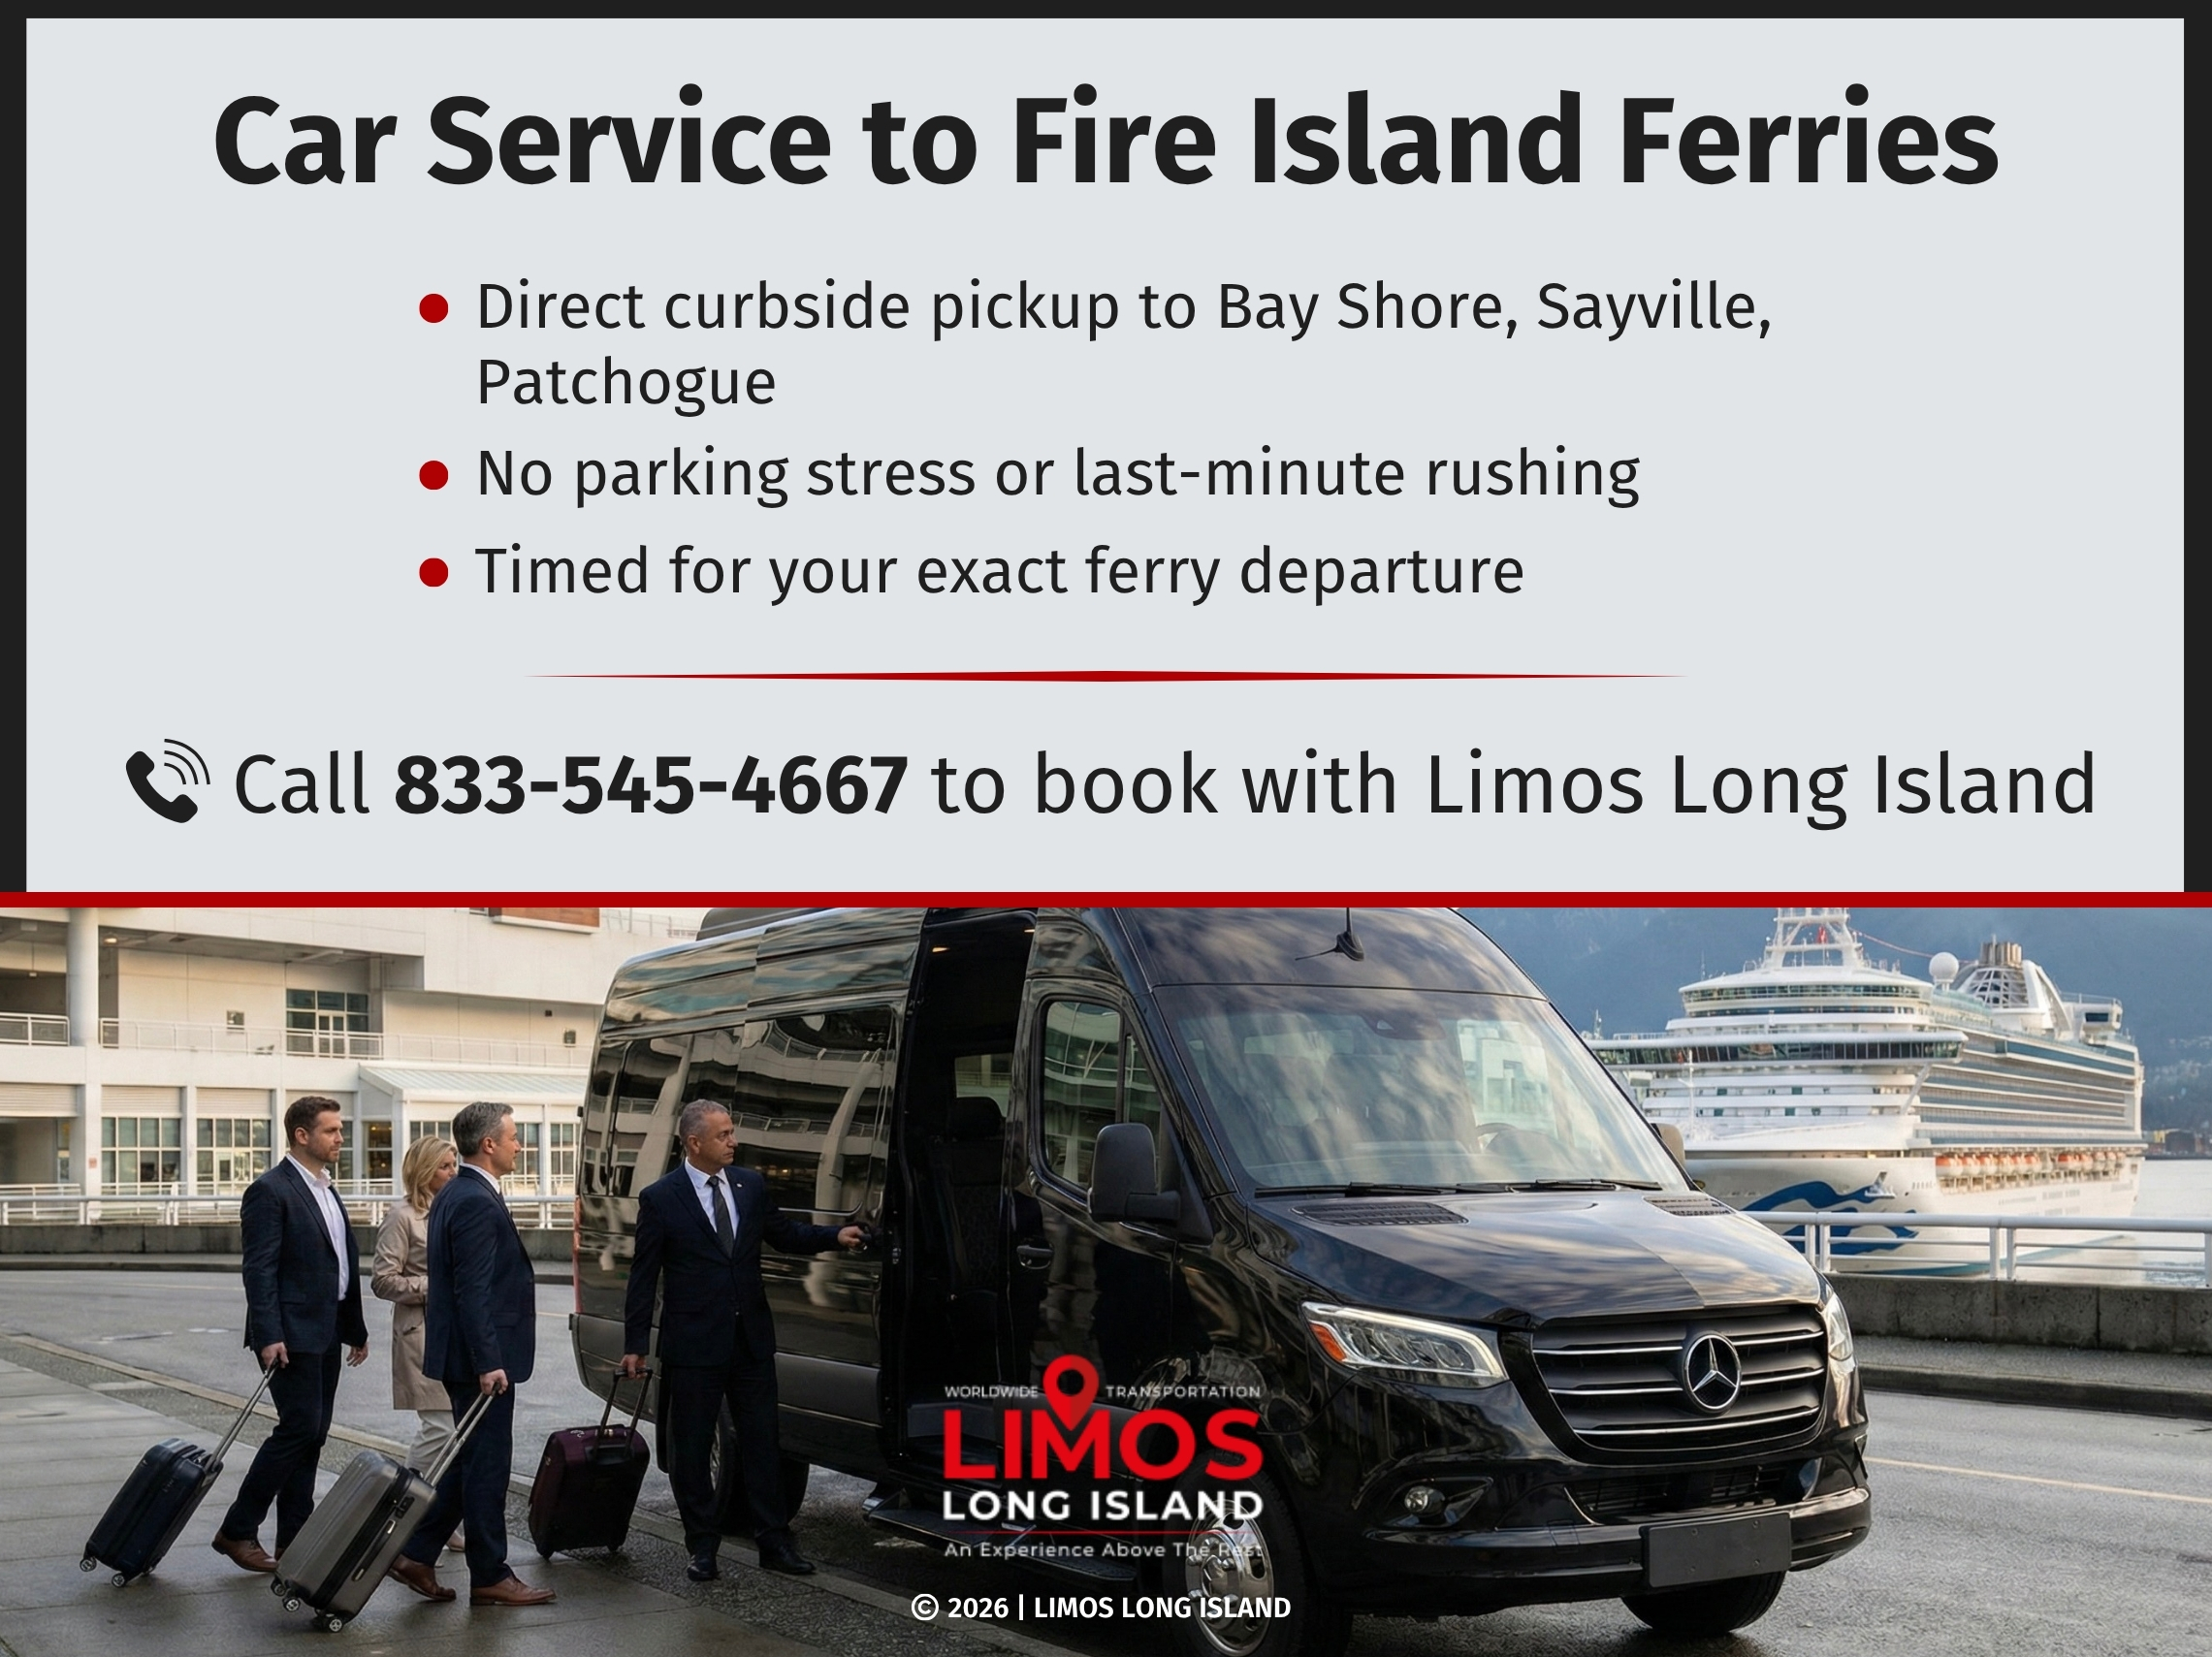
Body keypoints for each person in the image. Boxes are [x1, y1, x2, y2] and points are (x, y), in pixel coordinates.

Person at [622, 1099, 866, 1581]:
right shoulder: (661, 1197)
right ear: (695, 1143)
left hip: (750, 1339)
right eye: (724, 1135)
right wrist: (635, 1343)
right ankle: (702, 1547)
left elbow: (784, 1233)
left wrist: (835, 1237)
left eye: (732, 1132)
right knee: (691, 1448)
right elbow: (643, 1276)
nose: (734, 1142)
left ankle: (774, 1542)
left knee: (762, 1444)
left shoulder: (748, 1185)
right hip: (693, 1344)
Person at [384, 1100, 554, 1608]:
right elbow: (472, 1291)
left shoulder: (457, 1192)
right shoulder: (475, 1199)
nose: (519, 1145)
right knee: (487, 1470)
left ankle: (415, 1552)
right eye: (514, 1136)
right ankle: (490, 1575)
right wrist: (488, 1361)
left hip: (466, 1355)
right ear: (489, 1144)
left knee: (467, 1460)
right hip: (480, 1359)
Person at [210, 1095, 369, 1572]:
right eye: (332, 1130)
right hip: (290, 1334)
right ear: (302, 1135)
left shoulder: (325, 1187)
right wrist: (267, 1334)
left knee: (314, 1434)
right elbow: (258, 1270)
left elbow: (340, 1262)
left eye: (340, 1130)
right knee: (298, 1428)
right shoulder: (270, 1190)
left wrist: (354, 1329)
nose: (341, 1138)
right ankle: (237, 1530)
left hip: (325, 1329)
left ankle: (294, 1541)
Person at [370, 1134, 465, 1552]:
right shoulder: (402, 1216)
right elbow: (382, 1279)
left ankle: (431, 1518)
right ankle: (397, 1506)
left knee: (454, 1430)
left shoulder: (453, 1208)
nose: (453, 1172)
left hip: (454, 1332)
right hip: (420, 1333)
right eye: (445, 1166)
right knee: (439, 1428)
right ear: (425, 1171)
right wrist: (436, 1286)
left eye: (454, 1164)